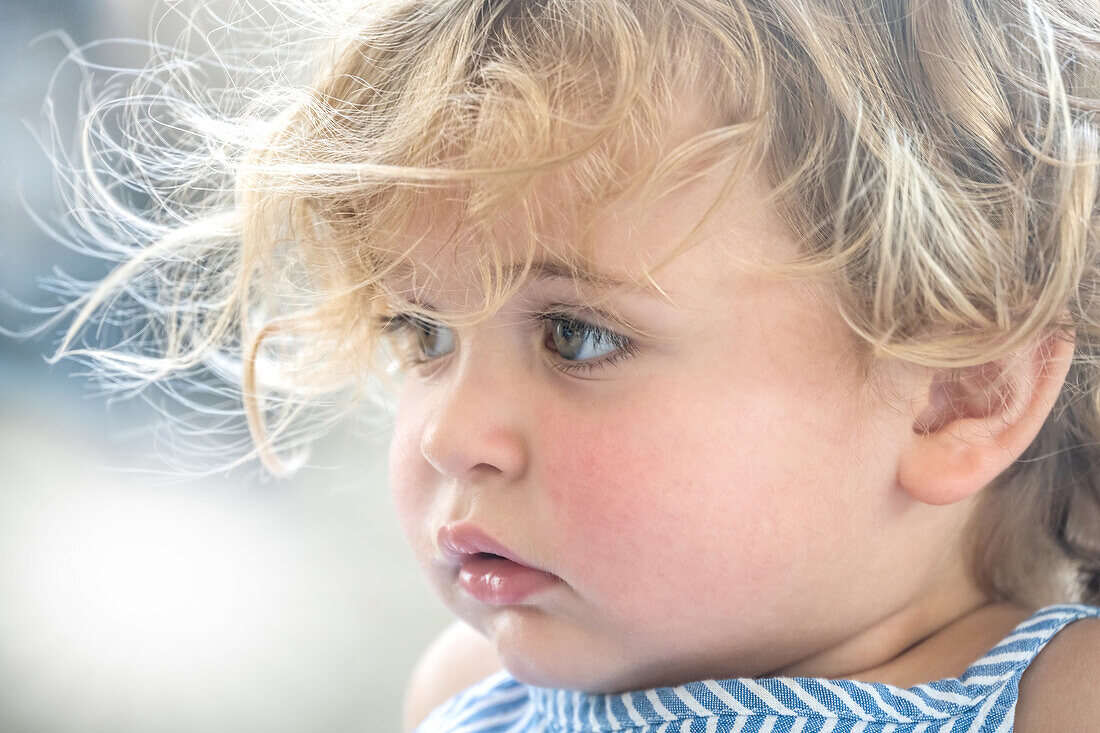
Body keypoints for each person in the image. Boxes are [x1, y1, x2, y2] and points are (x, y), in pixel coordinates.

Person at [54, 0, 1100, 730]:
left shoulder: (1056, 699)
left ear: (957, 395)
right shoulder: (467, 692)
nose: (447, 435)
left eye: (576, 336)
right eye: (422, 334)